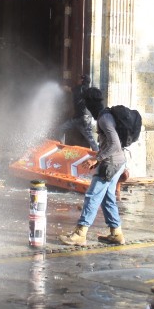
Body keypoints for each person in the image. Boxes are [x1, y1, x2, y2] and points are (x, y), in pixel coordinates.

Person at [59, 87, 127, 246]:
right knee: (107, 197)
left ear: (89, 104)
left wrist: (97, 158)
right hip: (118, 162)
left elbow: (115, 144)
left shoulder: (104, 119)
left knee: (92, 195)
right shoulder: (106, 115)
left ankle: (80, 233)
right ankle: (116, 233)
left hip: (111, 163)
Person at [55, 74, 98, 151]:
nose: (78, 80)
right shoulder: (89, 90)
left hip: (80, 117)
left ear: (82, 80)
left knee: (61, 129)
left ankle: (61, 148)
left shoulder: (79, 88)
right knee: (90, 138)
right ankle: (98, 154)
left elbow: (68, 89)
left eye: (79, 79)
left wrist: (58, 86)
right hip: (86, 117)